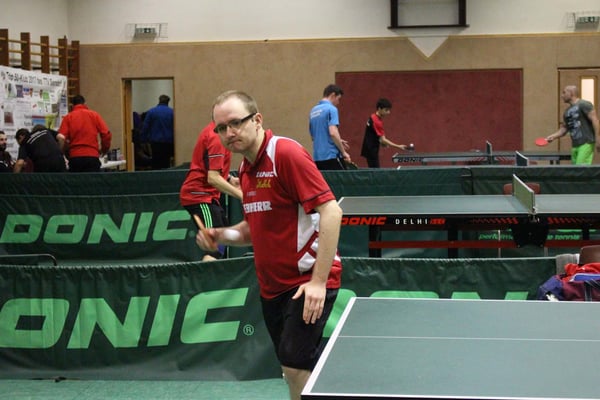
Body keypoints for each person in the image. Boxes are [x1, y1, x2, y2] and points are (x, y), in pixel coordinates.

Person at [196, 90, 343, 400]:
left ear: (257, 120)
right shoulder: (246, 171)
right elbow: (252, 230)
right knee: (294, 369)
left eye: (235, 123)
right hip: (272, 288)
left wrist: (318, 282)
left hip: (305, 282)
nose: (229, 133)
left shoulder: (285, 154)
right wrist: (220, 236)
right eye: (221, 128)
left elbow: (332, 211)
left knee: (294, 366)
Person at [180, 121, 243, 261]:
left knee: (223, 240)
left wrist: (229, 179)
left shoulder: (219, 133)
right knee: (213, 246)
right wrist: (241, 195)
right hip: (199, 196)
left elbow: (208, 166)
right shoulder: (216, 138)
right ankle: (208, 274)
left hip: (209, 196)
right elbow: (213, 178)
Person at [545, 85, 600, 165]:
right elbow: (564, 129)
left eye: (564, 93)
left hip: (586, 143)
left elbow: (595, 120)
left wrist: (597, 138)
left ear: (571, 93)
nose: (562, 96)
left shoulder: (584, 104)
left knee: (580, 169)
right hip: (575, 145)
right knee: (575, 170)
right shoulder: (567, 112)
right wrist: (553, 136)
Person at [58, 94, 112, 172]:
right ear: (85, 103)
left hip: (75, 158)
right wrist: (104, 150)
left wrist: (64, 153)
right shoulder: (94, 115)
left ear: (72, 106)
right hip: (92, 156)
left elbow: (61, 138)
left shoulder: (68, 117)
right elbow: (106, 134)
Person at [308, 84, 351, 170]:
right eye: (338, 99)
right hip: (332, 156)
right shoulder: (331, 109)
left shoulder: (313, 111)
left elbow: (314, 137)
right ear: (333, 95)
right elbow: (333, 133)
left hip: (318, 158)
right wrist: (343, 152)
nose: (338, 102)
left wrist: (339, 140)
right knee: (343, 178)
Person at [360, 98, 409, 168]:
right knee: (375, 171)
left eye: (389, 110)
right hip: (371, 150)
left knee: (374, 170)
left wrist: (382, 142)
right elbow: (383, 139)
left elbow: (375, 134)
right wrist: (398, 146)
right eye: (386, 110)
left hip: (369, 148)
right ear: (379, 109)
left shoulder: (373, 116)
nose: (388, 112)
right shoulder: (376, 121)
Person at [141, 94, 174, 169]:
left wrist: (143, 140)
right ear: (168, 102)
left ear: (159, 101)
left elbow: (145, 127)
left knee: (156, 163)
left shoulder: (151, 112)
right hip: (168, 142)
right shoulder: (172, 112)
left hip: (155, 143)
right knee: (166, 163)